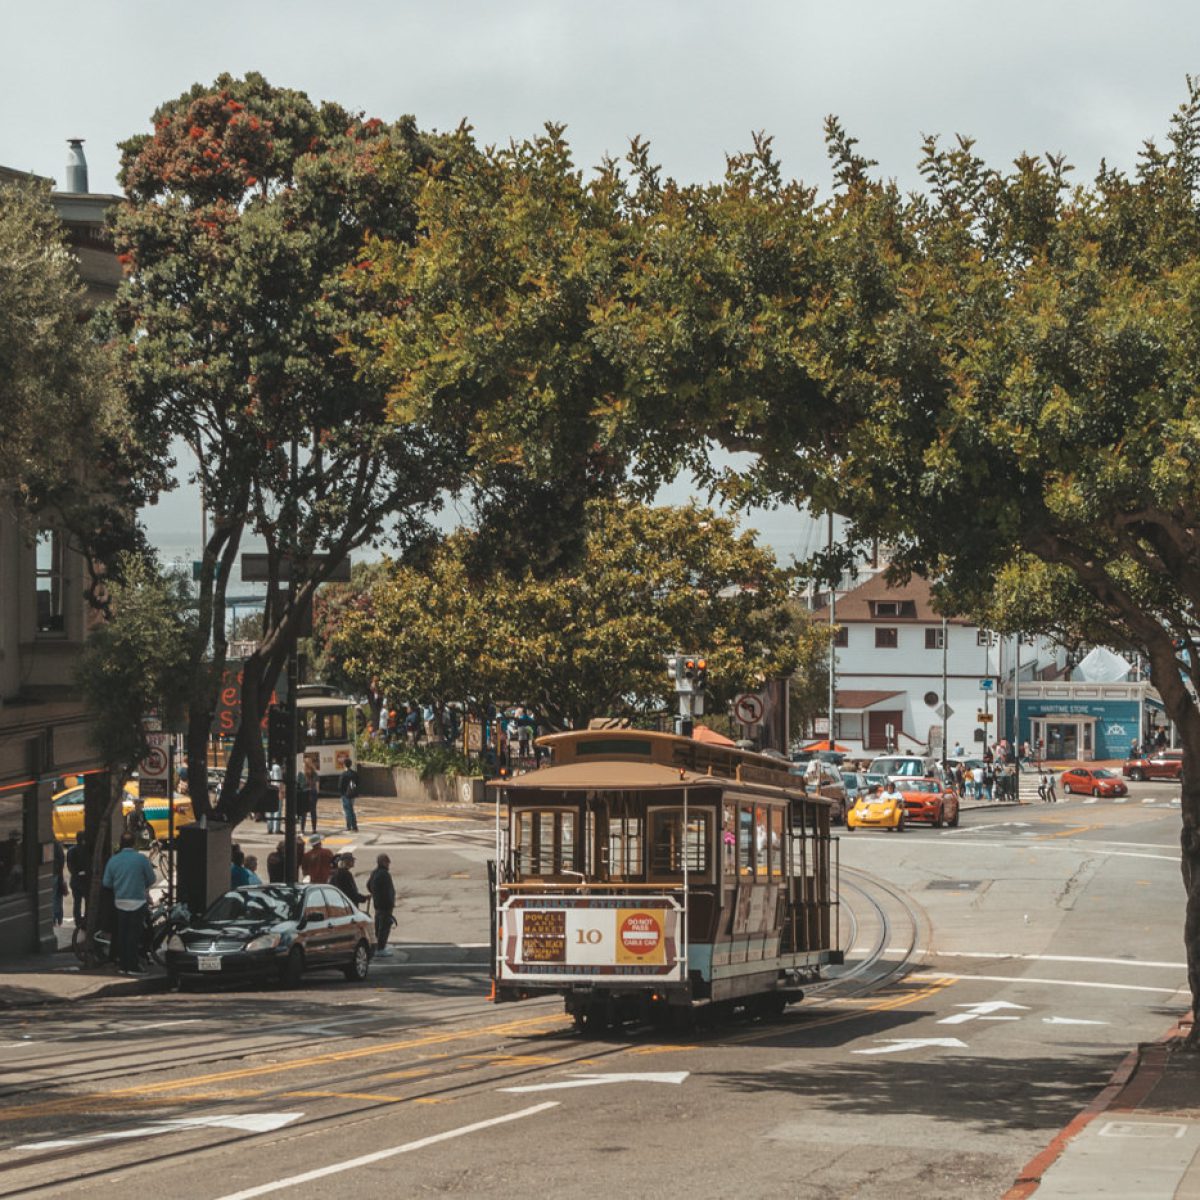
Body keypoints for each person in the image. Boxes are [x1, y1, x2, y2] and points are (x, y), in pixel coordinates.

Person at [101, 832, 156, 975]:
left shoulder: (113, 860)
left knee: (122, 934)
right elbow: (151, 878)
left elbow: (106, 882)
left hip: (120, 901)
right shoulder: (141, 859)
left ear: (120, 844)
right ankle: (133, 965)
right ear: (134, 843)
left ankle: (123, 964)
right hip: (137, 901)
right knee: (134, 935)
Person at [367, 853, 396, 957]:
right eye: (387, 862)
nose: (389, 864)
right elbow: (387, 891)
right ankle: (381, 948)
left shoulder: (375, 872)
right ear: (383, 862)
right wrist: (390, 902)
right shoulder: (384, 874)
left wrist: (375, 894)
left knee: (378, 925)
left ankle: (379, 946)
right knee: (384, 927)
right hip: (385, 905)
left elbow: (368, 885)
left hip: (378, 904)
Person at [66, 832, 88, 926]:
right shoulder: (86, 851)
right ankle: (86, 920)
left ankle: (78, 921)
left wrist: (75, 873)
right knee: (88, 901)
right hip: (85, 880)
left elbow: (69, 865)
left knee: (77, 902)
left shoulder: (71, 850)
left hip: (75, 880)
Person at [297, 762, 319, 833]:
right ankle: (313, 829)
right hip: (311, 794)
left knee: (304, 812)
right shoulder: (314, 774)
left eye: (304, 767)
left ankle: (303, 830)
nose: (303, 768)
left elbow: (298, 786)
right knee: (312, 812)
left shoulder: (301, 775)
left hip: (305, 794)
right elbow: (317, 787)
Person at [339, 761, 360, 832]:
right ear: (350, 765)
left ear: (344, 765)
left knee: (347, 810)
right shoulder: (354, 774)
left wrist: (341, 794)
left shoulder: (343, 774)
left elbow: (340, 786)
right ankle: (354, 826)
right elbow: (357, 783)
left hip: (345, 794)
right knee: (351, 809)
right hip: (353, 794)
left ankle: (349, 826)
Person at [52, 838, 66, 927]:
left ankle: (54, 918)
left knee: (53, 897)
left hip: (54, 873)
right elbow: (62, 859)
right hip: (56, 873)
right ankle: (58, 917)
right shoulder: (56, 844)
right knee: (57, 896)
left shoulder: (53, 844)